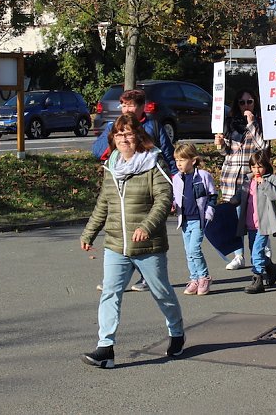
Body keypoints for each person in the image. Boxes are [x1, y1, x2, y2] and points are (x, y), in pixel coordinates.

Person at [80, 115, 184, 368]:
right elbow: (104, 203)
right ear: (113, 139)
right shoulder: (112, 164)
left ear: (138, 136)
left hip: (147, 245)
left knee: (162, 293)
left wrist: (147, 227)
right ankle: (105, 348)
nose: (124, 139)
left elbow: (163, 198)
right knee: (110, 293)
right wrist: (89, 232)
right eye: (119, 135)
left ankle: (177, 332)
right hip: (117, 243)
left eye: (128, 134)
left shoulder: (152, 161)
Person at [91, 89, 177, 292]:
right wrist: (115, 136)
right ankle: (114, 279)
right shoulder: (115, 127)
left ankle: (148, 277)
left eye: (131, 105)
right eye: (124, 105)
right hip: (120, 187)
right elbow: (97, 151)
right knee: (118, 232)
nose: (126, 109)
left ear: (141, 107)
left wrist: (174, 189)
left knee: (143, 234)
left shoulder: (152, 125)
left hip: (146, 189)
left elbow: (168, 158)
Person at [215, 89, 267, 270]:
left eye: (249, 102)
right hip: (231, 178)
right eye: (242, 102)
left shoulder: (261, 123)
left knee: (253, 218)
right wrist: (221, 145)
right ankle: (239, 255)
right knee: (235, 220)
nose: (246, 106)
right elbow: (226, 152)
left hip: (251, 178)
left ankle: (260, 251)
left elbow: (264, 148)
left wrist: (252, 124)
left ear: (255, 103)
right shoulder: (230, 124)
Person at [173, 143, 217, 296]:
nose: (179, 163)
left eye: (182, 160)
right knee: (188, 251)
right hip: (184, 221)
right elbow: (175, 198)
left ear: (193, 160)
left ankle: (204, 277)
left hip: (198, 219)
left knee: (194, 249)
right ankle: (194, 279)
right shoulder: (176, 179)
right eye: (177, 160)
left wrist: (208, 213)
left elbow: (212, 196)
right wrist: (173, 206)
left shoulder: (203, 176)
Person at [236, 152, 276, 294]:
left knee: (256, 251)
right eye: (253, 167)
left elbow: (275, 195)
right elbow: (240, 195)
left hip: (264, 224)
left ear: (266, 167)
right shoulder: (247, 180)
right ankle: (270, 267)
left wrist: (264, 183)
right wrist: (234, 200)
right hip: (250, 223)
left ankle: (257, 279)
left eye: (260, 167)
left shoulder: (272, 179)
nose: (256, 170)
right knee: (255, 250)